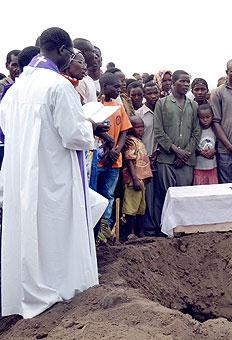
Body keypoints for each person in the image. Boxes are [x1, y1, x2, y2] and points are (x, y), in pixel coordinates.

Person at [0, 27, 107, 319]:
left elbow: (10, 131)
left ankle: (26, 293)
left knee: (29, 231)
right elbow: (74, 135)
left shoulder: (15, 90)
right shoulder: (58, 86)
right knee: (56, 231)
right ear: (61, 50)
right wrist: (92, 128)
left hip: (24, 175)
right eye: (71, 53)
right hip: (53, 176)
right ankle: (62, 289)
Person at [154, 70, 200, 225]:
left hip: (186, 160)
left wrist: (185, 153)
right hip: (166, 159)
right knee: (166, 196)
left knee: (183, 196)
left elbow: (196, 132)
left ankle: (181, 228)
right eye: (182, 81)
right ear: (172, 83)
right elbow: (158, 131)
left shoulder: (193, 105)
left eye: (188, 82)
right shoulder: (162, 103)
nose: (186, 84)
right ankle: (165, 228)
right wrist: (175, 150)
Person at [96, 72, 132, 242]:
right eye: (116, 87)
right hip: (97, 159)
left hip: (114, 159)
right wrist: (108, 145)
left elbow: (125, 129)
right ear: (105, 87)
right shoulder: (95, 105)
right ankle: (96, 231)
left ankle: (106, 229)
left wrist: (117, 149)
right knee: (96, 194)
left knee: (109, 195)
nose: (119, 89)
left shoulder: (119, 106)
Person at [122, 116, 152, 240]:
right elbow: (129, 161)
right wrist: (134, 179)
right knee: (131, 207)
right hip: (134, 179)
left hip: (142, 179)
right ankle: (130, 233)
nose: (140, 130)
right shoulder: (130, 142)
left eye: (142, 127)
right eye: (137, 127)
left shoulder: (139, 141)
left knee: (141, 207)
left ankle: (140, 232)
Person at [136, 81, 160, 234]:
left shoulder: (163, 110)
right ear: (144, 95)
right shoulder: (139, 114)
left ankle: (160, 225)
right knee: (147, 195)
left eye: (155, 93)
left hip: (161, 158)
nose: (152, 96)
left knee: (160, 194)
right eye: (149, 93)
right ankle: (148, 227)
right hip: (144, 160)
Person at [194, 104, 218, 185]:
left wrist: (214, 151)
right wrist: (201, 152)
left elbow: (219, 145)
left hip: (212, 167)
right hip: (199, 167)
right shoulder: (196, 131)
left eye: (208, 117)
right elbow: (192, 146)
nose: (205, 120)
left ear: (212, 116)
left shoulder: (215, 130)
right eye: (202, 118)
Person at [73, 38, 98, 104]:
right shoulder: (78, 80)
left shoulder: (88, 78)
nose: (95, 56)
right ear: (84, 53)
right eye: (93, 52)